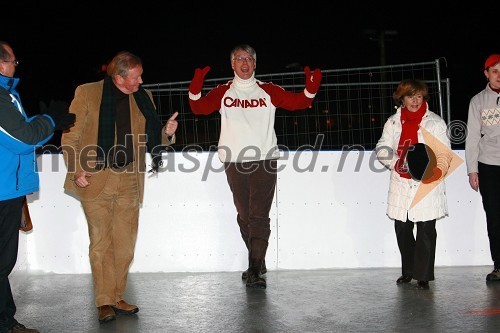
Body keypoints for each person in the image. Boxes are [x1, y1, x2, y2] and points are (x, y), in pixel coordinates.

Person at [188, 44, 321, 289]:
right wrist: (196, 85)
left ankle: (253, 268)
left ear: (255, 64)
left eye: (249, 59)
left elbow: (299, 102)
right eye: (239, 59)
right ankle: (257, 261)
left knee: (259, 215)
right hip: (234, 160)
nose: (245, 63)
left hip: (264, 159)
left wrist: (311, 88)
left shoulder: (268, 91)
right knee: (244, 215)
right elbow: (198, 107)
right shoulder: (223, 92)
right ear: (232, 64)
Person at [61, 51, 178, 323]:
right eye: (136, 77)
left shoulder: (143, 97)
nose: (141, 81)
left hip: (129, 179)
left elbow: (152, 136)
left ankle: (117, 296)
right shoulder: (87, 93)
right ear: (119, 77)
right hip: (95, 177)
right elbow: (70, 134)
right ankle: (103, 301)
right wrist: (77, 167)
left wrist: (168, 133)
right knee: (101, 242)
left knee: (125, 245)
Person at [0, 41, 75, 333]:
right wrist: (48, 121)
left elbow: (17, 132)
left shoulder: (7, 95)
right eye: (13, 62)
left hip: (8, 188)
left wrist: (41, 122)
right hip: (3, 190)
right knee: (3, 263)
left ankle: (6, 321)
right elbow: (22, 139)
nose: (15, 67)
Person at [376, 79, 452, 290]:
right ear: (402, 99)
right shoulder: (393, 122)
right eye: (410, 96)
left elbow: (445, 153)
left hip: (426, 184)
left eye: (419, 96)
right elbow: (382, 146)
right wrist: (395, 163)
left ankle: (424, 275)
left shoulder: (435, 122)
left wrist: (430, 170)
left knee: (427, 230)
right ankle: (408, 271)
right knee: (403, 228)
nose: (415, 101)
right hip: (401, 183)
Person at [465, 54, 500, 282]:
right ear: (486, 73)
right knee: (495, 218)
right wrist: (472, 169)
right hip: (489, 167)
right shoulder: (477, 101)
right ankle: (499, 265)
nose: (499, 75)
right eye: (495, 71)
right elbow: (472, 138)